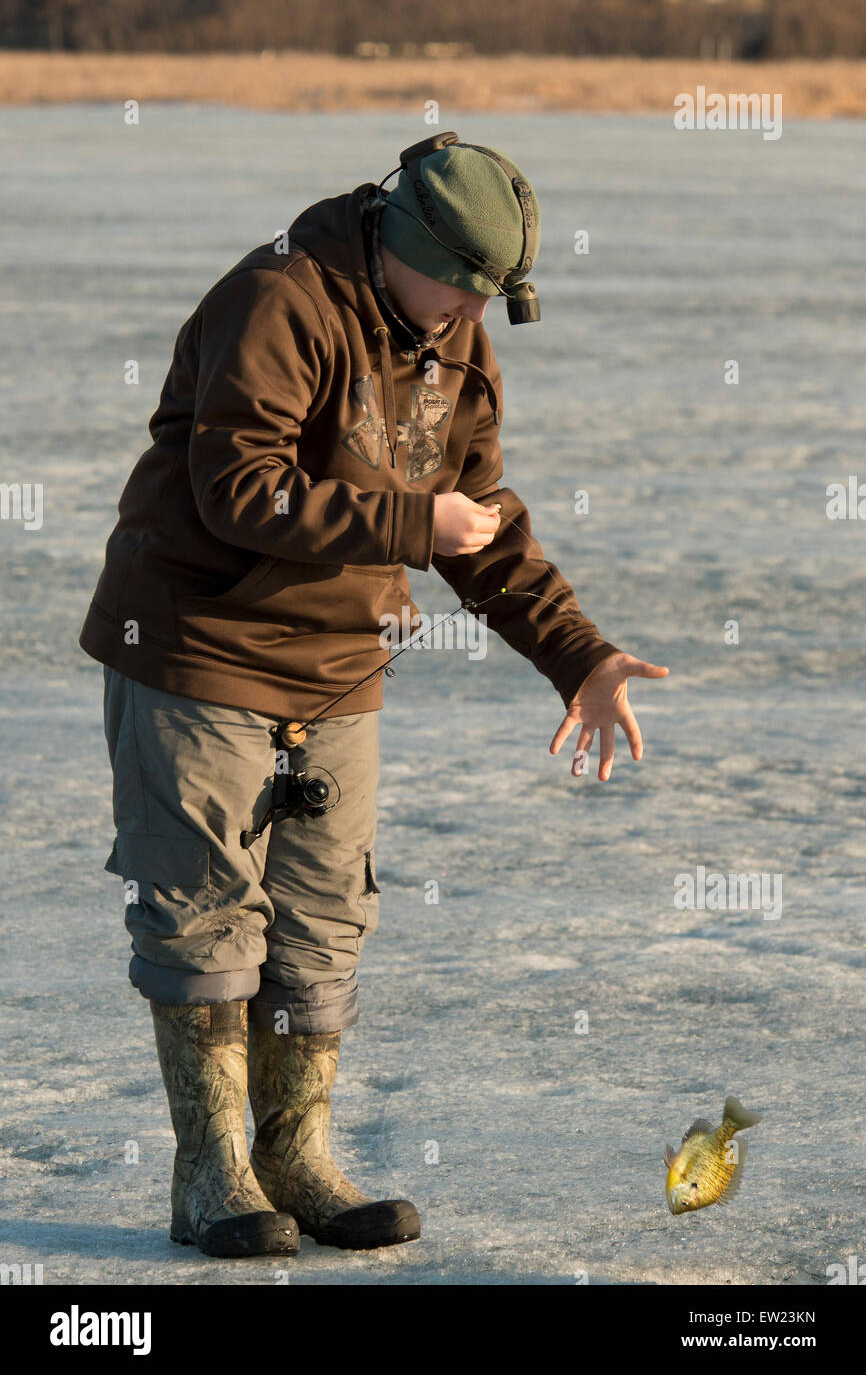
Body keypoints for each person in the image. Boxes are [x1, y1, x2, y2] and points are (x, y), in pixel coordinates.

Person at [79, 132, 668, 1260]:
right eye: (459, 285)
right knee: (203, 918)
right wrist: (410, 524)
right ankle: (212, 1176)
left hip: (337, 671)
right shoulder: (276, 302)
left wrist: (577, 656)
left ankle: (296, 1159)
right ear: (403, 242)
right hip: (199, 651)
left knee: (320, 928)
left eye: (488, 296)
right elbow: (236, 489)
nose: (466, 312)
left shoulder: (454, 343)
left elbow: (479, 525)